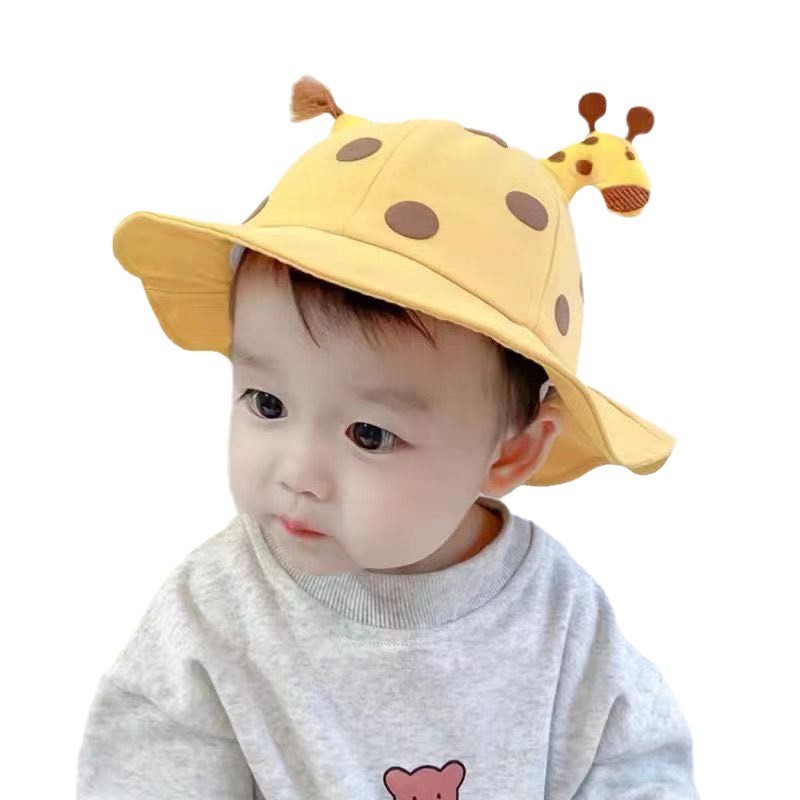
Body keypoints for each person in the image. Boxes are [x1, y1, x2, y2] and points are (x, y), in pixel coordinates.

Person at [77, 75, 700, 798]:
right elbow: (146, 773)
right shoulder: (216, 612)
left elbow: (638, 771)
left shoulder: (561, 625)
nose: (298, 472)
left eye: (369, 434)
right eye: (267, 403)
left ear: (511, 452)